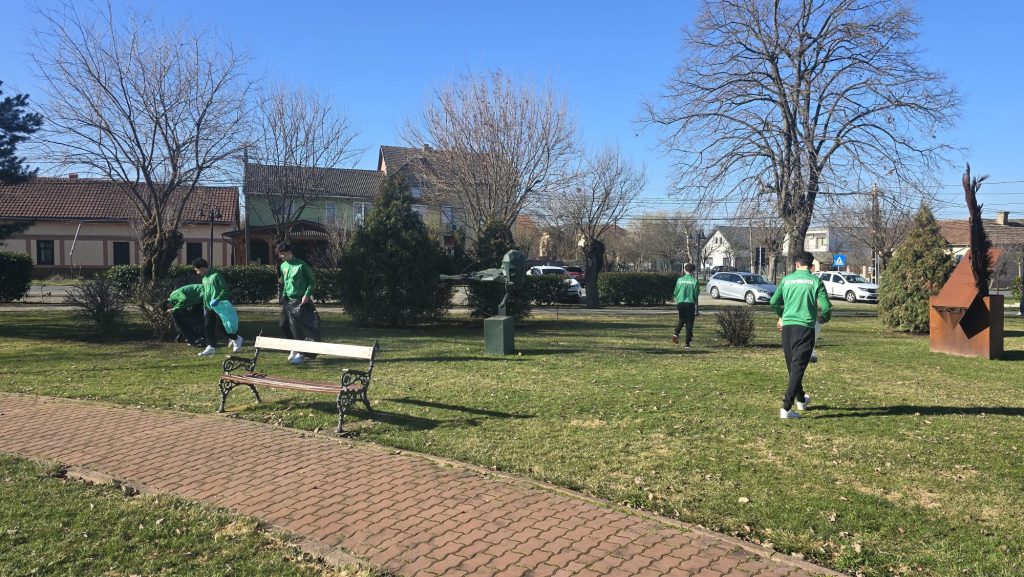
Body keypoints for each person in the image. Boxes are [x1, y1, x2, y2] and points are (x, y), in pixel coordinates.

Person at [769, 252, 832, 419]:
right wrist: (823, 319)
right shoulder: (816, 281)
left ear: (797, 264)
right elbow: (826, 307)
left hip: (787, 328)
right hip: (805, 328)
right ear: (811, 266)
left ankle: (801, 399)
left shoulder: (786, 280)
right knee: (797, 368)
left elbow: (773, 302)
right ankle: (786, 408)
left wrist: (782, 316)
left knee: (793, 367)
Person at [277, 243, 321, 365]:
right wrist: (283, 296)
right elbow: (285, 282)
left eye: (282, 254)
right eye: (279, 254)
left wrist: (307, 294)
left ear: (289, 252)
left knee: (297, 328)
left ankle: (302, 354)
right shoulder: (283, 266)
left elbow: (312, 282)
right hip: (288, 301)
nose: (281, 256)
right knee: (283, 325)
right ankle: (294, 347)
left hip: (300, 301)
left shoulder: (301, 265)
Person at [192, 258, 243, 357]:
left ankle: (236, 338)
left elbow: (225, 289)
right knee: (208, 326)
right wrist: (205, 305)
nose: (197, 273)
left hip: (219, 306)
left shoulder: (216, 275)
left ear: (202, 268)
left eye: (197, 270)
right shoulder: (204, 279)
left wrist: (218, 299)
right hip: (208, 307)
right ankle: (210, 347)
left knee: (221, 327)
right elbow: (206, 293)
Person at [672, 263, 700, 349]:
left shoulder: (679, 280)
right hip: (690, 303)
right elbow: (696, 294)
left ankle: (676, 333)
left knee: (682, 319)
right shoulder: (695, 281)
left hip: (680, 303)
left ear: (684, 270)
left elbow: (675, 292)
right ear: (693, 271)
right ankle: (687, 342)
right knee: (689, 322)